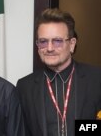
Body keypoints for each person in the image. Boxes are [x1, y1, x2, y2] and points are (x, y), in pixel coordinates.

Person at [16, 8, 101, 136]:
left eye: (57, 41)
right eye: (43, 42)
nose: (49, 48)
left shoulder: (96, 79)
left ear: (72, 44)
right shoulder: (24, 86)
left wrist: (80, 129)